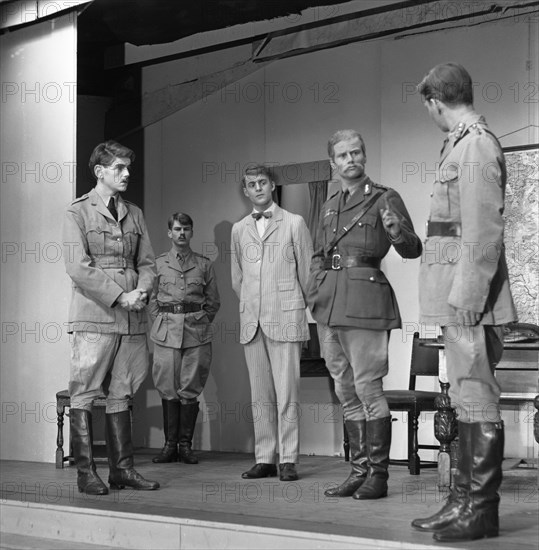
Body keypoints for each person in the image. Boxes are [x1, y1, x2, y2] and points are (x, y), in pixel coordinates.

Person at [411, 63, 517, 542]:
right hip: (454, 293)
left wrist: (470, 296)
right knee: (465, 395)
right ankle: (462, 501)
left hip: (467, 295)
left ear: (435, 102)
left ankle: (480, 510)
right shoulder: (461, 142)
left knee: (476, 395)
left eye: (428, 107)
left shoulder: (475, 145)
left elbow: (483, 229)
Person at [307, 129, 422, 500]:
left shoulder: (385, 197)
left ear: (364, 156)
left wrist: (397, 231)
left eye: (356, 152)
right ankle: (357, 471)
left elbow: (412, 248)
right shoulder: (328, 203)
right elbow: (318, 253)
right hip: (330, 305)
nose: (350, 159)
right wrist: (314, 291)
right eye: (343, 155)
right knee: (345, 390)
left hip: (366, 303)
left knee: (368, 388)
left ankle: (379, 476)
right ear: (333, 163)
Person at [63, 140, 159, 494]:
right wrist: (121, 295)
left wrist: (142, 292)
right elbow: (77, 266)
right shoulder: (78, 212)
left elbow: (147, 262)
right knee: (84, 392)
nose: (126, 173)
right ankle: (86, 474)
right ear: (100, 171)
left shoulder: (134, 213)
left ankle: (122, 470)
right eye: (119, 168)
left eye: (127, 168)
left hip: (133, 317)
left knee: (123, 392)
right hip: (96, 315)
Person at [231, 165, 313, 481]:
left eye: (263, 182)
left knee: (287, 392)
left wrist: (304, 311)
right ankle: (265, 458)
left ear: (272, 185)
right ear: (246, 190)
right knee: (260, 394)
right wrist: (255, 304)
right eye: (251, 184)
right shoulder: (239, 229)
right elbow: (237, 278)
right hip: (253, 321)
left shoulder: (294, 223)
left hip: (286, 317)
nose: (258, 188)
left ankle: (288, 458)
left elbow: (306, 274)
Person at [149, 213, 220, 465]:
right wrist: (161, 321)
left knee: (190, 389)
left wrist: (198, 321)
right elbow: (152, 300)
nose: (181, 233)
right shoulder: (157, 264)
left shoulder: (204, 264)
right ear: (170, 233)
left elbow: (213, 302)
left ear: (191, 233)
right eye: (177, 229)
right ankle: (169, 446)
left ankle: (185, 446)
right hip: (166, 332)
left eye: (186, 229)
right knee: (168, 388)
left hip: (195, 333)